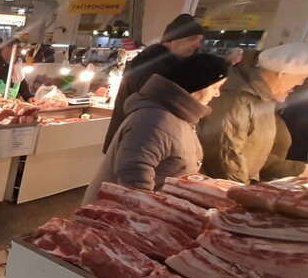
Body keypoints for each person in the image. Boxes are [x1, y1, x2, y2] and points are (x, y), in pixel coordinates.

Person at [84, 54, 229, 204]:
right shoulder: (153, 121)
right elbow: (134, 181)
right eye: (216, 87)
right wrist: (150, 212)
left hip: (152, 209)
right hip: (118, 212)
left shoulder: (176, 116)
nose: (217, 94)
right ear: (199, 84)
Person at [198, 42, 308, 182]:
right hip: (217, 186)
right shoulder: (238, 97)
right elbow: (225, 154)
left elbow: (254, 151)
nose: (301, 83)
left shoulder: (262, 98)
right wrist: (239, 190)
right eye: (302, 77)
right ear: (283, 73)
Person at [102, 14, 205, 152]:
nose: (197, 45)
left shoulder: (162, 64)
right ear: (171, 40)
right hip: (137, 144)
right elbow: (155, 114)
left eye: (200, 40)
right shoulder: (153, 68)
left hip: (140, 142)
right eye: (191, 39)